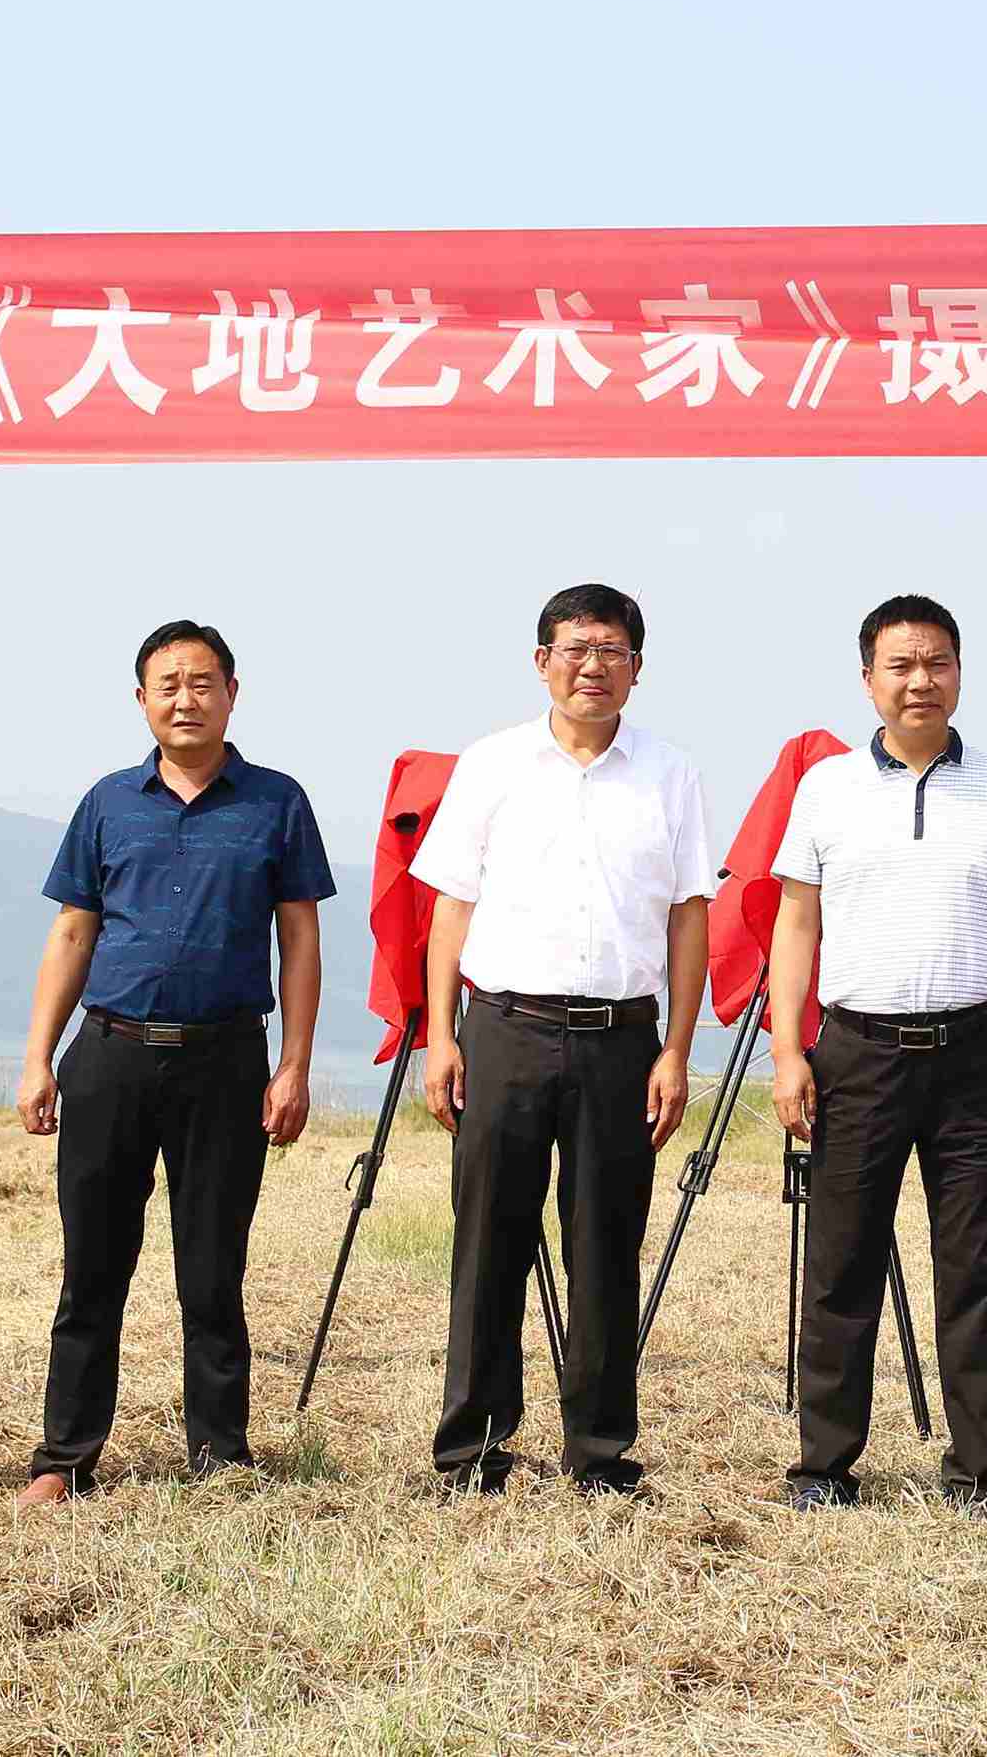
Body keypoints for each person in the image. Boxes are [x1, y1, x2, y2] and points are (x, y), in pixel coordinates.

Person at [12, 621, 333, 1503]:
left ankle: (219, 1454)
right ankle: (65, 1457)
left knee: (212, 1265)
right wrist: (39, 1056)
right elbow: (72, 929)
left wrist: (294, 1062)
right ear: (141, 698)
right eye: (166, 683)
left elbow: (299, 938)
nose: (184, 698)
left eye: (201, 681)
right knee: (92, 1267)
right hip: (108, 1054)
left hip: (225, 1058)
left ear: (232, 691)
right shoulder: (108, 801)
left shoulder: (276, 801)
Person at [415, 584, 713, 1493]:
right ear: (540, 659)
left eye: (612, 650)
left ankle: (599, 1451)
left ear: (637, 666)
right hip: (503, 1027)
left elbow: (689, 920)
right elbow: (449, 909)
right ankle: (472, 1447)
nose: (593, 666)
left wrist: (676, 1051)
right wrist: (442, 1036)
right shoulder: (492, 764)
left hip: (623, 1039)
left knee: (605, 1244)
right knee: (489, 1241)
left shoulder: (671, 773)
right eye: (575, 648)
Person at [768, 595, 987, 1509]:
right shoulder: (827, 787)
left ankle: (976, 1471)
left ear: (960, 672)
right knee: (841, 1262)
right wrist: (787, 1051)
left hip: (976, 1050)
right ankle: (825, 1465)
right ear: (868, 681)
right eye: (900, 664)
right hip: (857, 1051)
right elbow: (794, 925)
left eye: (936, 662)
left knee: (976, 1265)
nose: (919, 680)